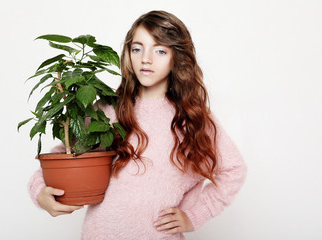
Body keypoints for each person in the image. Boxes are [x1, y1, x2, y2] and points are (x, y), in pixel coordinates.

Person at [28, 10, 247, 240]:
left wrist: (195, 215)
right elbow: (64, 155)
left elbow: (233, 169)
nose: (146, 58)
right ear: (128, 53)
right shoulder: (107, 107)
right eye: (137, 48)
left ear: (177, 58)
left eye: (160, 50)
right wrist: (40, 191)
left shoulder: (192, 118)